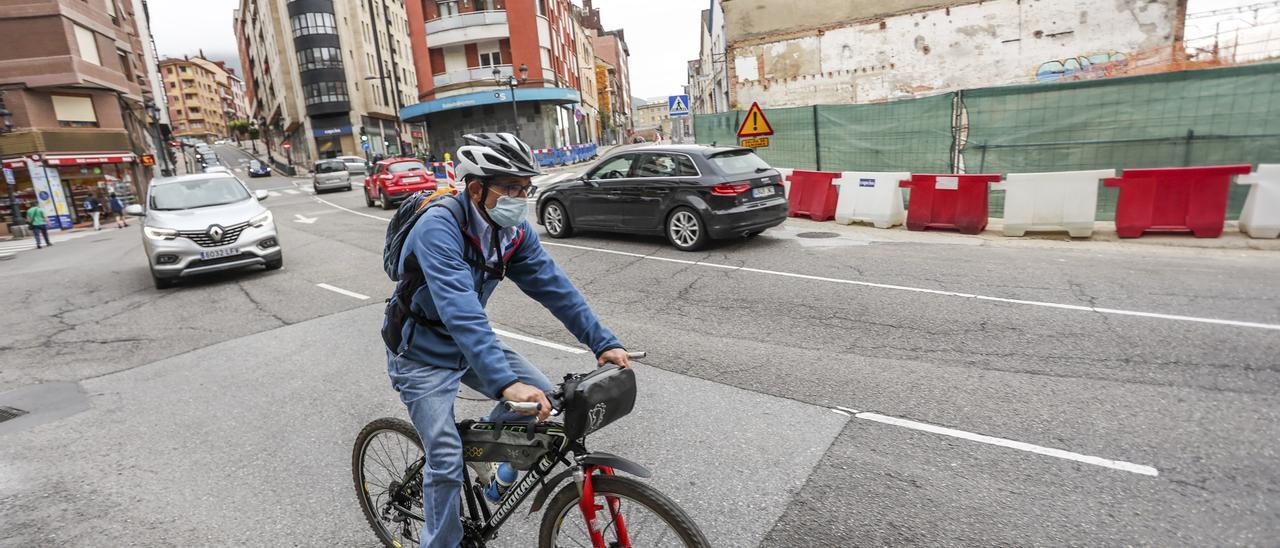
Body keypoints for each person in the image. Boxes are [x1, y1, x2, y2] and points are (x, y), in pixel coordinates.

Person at [384, 133, 630, 547]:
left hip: (469, 344)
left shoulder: (511, 231)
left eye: (525, 187)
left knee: (541, 401)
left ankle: (493, 478)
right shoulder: (439, 227)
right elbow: (461, 309)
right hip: (420, 354)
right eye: (511, 188)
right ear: (477, 188)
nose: (521, 196)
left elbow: (555, 287)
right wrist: (504, 381)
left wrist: (602, 341)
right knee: (444, 459)